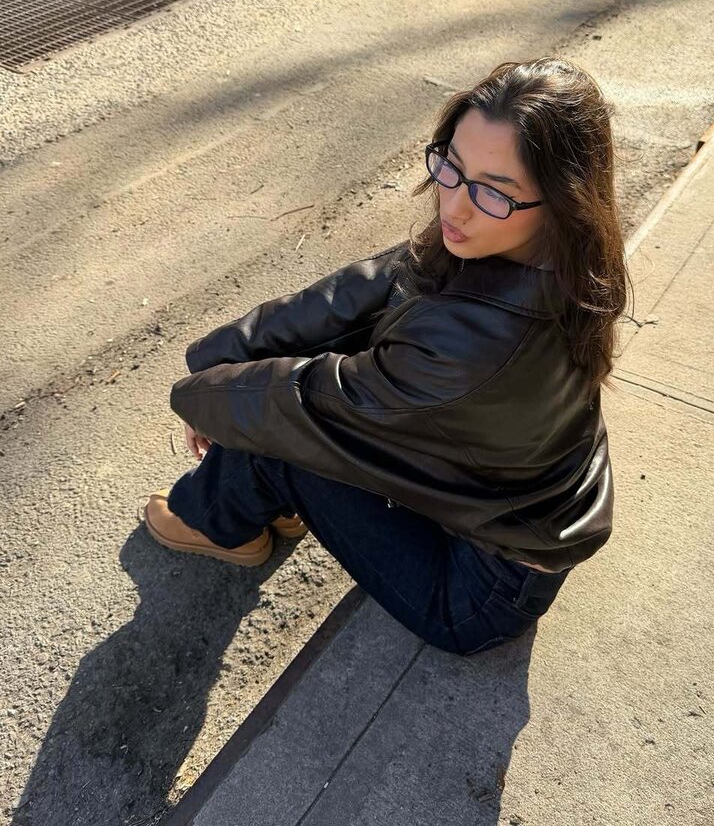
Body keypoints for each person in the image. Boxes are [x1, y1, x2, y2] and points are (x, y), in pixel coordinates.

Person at [143, 57, 630, 656]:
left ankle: (212, 520)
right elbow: (363, 291)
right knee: (288, 383)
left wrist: (198, 399)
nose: (454, 206)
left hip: (477, 592)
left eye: (493, 192)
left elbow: (301, 402)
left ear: (562, 200)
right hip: (499, 503)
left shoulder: (479, 344)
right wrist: (219, 355)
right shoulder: (567, 255)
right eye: (452, 167)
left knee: (277, 420)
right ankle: (267, 499)